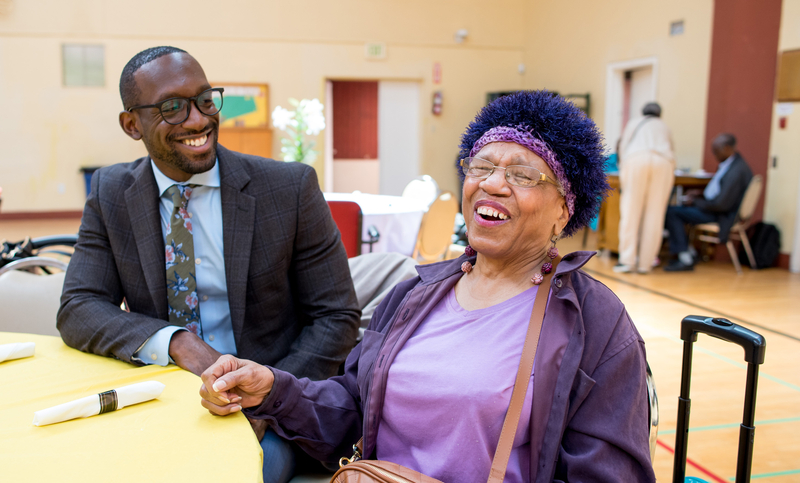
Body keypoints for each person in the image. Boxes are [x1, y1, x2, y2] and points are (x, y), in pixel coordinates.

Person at [199, 91, 656, 482]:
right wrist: (274, 389)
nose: (492, 184)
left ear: (564, 209)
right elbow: (352, 410)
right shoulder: (413, 295)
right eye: (482, 165)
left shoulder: (594, 323)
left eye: (521, 174)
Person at [57, 46, 360, 483]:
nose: (198, 120)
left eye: (204, 100)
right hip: (165, 398)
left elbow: (336, 315)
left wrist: (273, 394)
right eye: (172, 108)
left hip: (273, 403)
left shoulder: (288, 188)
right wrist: (177, 342)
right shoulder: (111, 193)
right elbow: (79, 306)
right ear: (131, 125)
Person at [663, 133, 753, 271]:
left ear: (727, 148)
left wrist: (696, 201)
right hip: (717, 209)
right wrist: (699, 195)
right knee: (677, 209)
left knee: (672, 213)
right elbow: (720, 193)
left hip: (722, 216)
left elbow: (721, 205)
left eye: (716, 151)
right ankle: (689, 251)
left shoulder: (737, 171)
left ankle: (685, 256)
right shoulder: (731, 164)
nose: (714, 155)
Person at [615, 102, 675, 274]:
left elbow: (624, 147)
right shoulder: (665, 127)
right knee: (655, 214)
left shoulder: (634, 122)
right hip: (663, 162)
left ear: (642, 112)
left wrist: (623, 171)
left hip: (637, 160)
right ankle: (646, 264)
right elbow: (672, 150)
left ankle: (626, 261)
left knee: (630, 211)